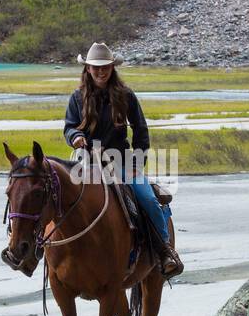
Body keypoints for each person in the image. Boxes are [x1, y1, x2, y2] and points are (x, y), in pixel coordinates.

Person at [64, 42, 183, 278]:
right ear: (87, 69)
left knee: (148, 199)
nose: (100, 72)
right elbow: (68, 127)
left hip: (121, 161)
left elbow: (141, 131)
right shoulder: (77, 98)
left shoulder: (126, 95)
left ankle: (165, 250)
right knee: (58, 197)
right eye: (95, 68)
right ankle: (40, 249)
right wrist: (76, 136)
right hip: (86, 162)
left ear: (112, 67)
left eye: (105, 67)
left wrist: (137, 163)